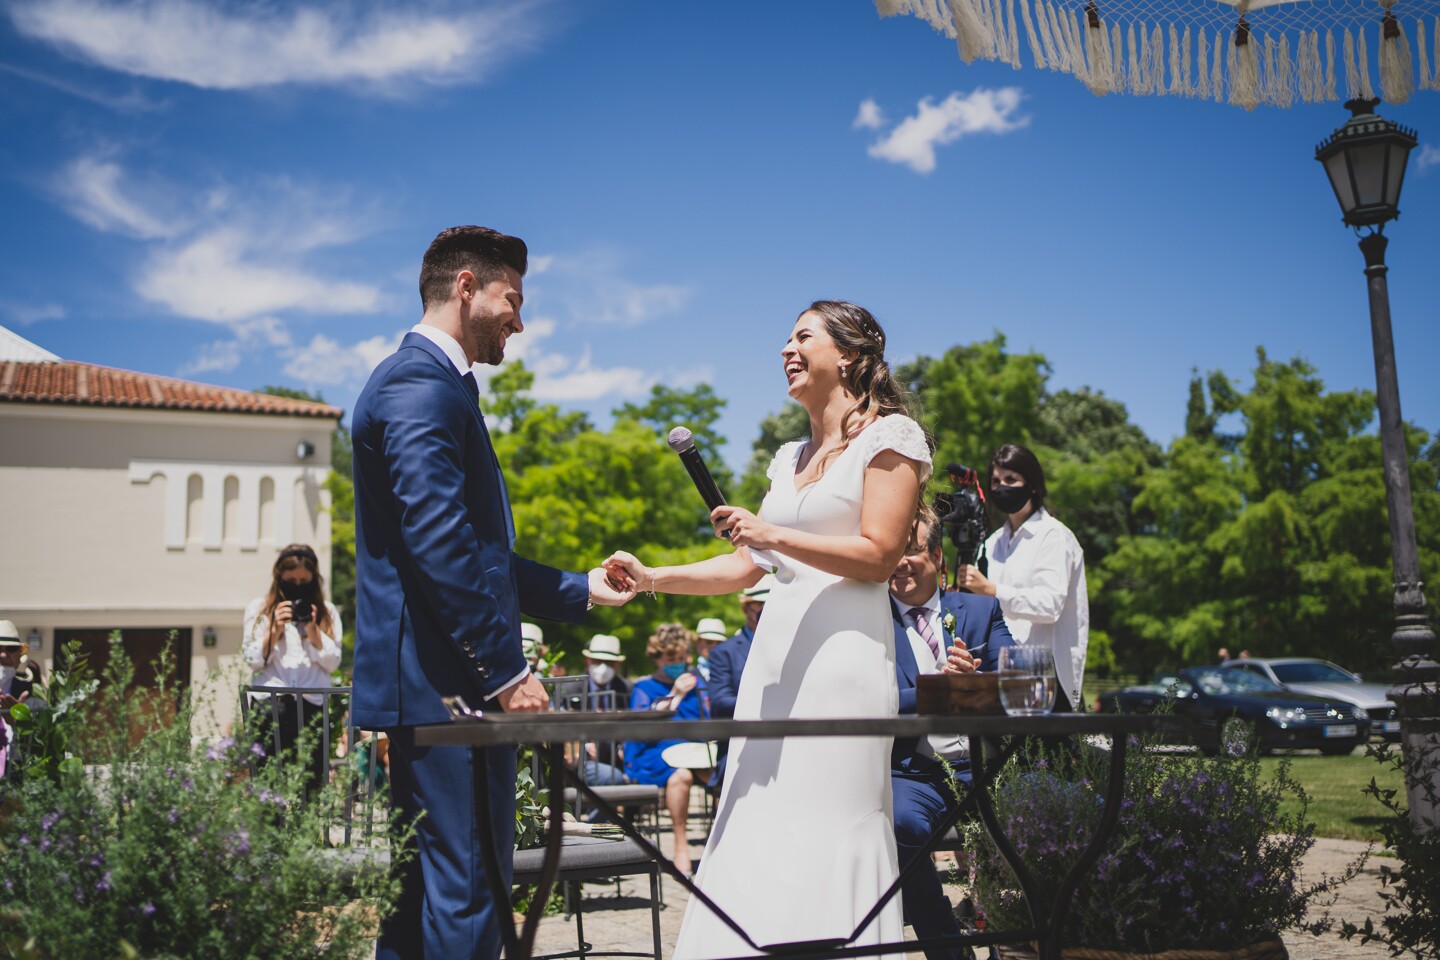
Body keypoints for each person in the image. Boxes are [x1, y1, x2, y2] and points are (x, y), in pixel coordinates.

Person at [606, 300, 930, 957]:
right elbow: (743, 565)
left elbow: (880, 555)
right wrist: (651, 577)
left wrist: (772, 532)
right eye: (784, 338)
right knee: (754, 821)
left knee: (829, 824)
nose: (786, 348)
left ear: (848, 354)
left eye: (802, 336)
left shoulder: (890, 438)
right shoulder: (788, 458)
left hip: (843, 666)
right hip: (773, 670)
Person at [350, 225, 633, 960]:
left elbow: (478, 555)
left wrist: (586, 590)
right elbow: (437, 541)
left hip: (435, 687)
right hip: (453, 688)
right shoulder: (419, 382)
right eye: (513, 298)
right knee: (469, 892)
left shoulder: (425, 384)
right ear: (467, 287)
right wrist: (506, 672)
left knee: (421, 898)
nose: (520, 318)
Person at [888, 520, 1013, 960]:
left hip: (985, 765)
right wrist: (935, 688)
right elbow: (869, 695)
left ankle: (1008, 943)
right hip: (915, 772)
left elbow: (1014, 683)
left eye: (913, 550)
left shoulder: (979, 611)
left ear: (937, 557)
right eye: (892, 551)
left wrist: (974, 681)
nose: (900, 562)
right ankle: (946, 947)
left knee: (1027, 821)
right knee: (901, 825)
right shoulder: (870, 620)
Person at [956, 444, 1089, 713]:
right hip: (1000, 674)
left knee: (1045, 755)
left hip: (1049, 677)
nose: (1001, 487)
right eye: (995, 481)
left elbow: (1050, 606)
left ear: (1032, 485)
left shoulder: (1054, 537)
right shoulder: (992, 543)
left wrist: (991, 590)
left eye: (1010, 480)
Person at [242, 544, 343, 798]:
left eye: (304, 581)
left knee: (310, 786)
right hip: (270, 706)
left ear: (313, 581)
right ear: (279, 578)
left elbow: (333, 662)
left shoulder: (327, 612)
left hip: (312, 708)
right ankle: (270, 838)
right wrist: (274, 629)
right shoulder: (259, 609)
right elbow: (252, 658)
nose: (297, 586)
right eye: (291, 581)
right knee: (267, 785)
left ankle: (306, 836)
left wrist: (313, 630)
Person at [625, 623, 711, 875]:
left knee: (720, 774)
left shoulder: (697, 684)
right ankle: (681, 845)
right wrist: (676, 694)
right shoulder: (645, 687)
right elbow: (642, 725)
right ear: (657, 657)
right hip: (654, 752)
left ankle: (724, 844)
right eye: (671, 658)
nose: (677, 663)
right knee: (681, 776)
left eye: (681, 657)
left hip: (693, 751)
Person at [704, 576, 772, 786]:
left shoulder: (795, 646)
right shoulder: (725, 652)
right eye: (760, 604)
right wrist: (767, 704)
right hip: (740, 744)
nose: (766, 610)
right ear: (745, 609)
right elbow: (719, 702)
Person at [579, 633, 631, 785]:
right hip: (583, 759)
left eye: (609, 662)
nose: (602, 667)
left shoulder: (627, 688)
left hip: (618, 758)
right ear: (587, 660)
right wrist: (586, 745)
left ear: (617, 664)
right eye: (597, 661)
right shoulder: (571, 687)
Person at [693, 617, 726, 682]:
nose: (714, 646)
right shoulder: (687, 673)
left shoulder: (731, 673)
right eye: (709, 642)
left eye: (719, 643)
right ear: (698, 643)